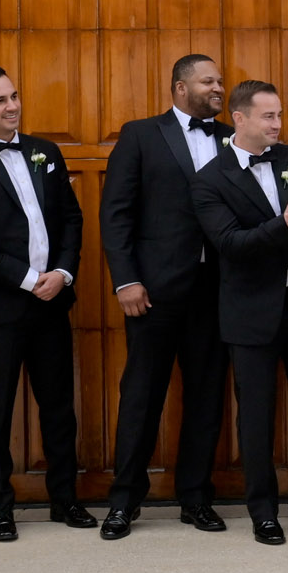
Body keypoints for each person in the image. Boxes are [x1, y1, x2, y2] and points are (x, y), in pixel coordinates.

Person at [0, 65, 94, 541]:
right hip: (0, 308)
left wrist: (63, 274)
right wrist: (29, 280)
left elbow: (70, 217)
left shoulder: (46, 152)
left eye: (14, 96)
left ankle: (64, 499)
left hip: (53, 302)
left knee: (58, 407)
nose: (11, 107)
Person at [191, 80, 288, 546]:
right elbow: (231, 245)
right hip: (250, 310)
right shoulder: (208, 179)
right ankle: (263, 511)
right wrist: (285, 222)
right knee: (255, 414)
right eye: (268, 116)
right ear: (240, 118)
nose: (278, 124)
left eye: (279, 115)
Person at [98, 54, 233, 540]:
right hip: (152, 292)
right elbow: (116, 214)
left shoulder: (230, 140)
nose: (219, 88)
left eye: (220, 81)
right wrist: (125, 280)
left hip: (216, 292)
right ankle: (124, 501)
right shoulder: (140, 134)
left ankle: (195, 498)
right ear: (180, 88)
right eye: (208, 81)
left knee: (206, 397)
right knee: (141, 397)